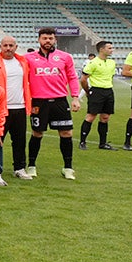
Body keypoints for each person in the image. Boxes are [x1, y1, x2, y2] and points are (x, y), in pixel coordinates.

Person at [24, 27, 81, 180]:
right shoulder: (28, 58)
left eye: (50, 38)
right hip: (38, 102)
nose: (47, 41)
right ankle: (31, 166)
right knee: (37, 133)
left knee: (66, 133)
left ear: (55, 39)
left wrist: (75, 97)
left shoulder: (65, 57)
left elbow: (72, 77)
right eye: (44, 38)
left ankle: (68, 168)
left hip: (60, 101)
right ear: (39, 40)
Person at [0, 37, 32, 179]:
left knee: (20, 140)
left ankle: (20, 168)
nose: (8, 48)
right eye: (5, 45)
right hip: (0, 107)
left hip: (19, 106)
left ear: (16, 46)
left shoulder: (22, 62)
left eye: (11, 45)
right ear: (0, 46)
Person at [80, 41, 118, 150]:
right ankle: (82, 142)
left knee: (105, 117)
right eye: (109, 48)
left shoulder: (111, 62)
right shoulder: (93, 63)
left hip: (108, 91)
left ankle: (103, 143)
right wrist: (87, 91)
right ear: (101, 49)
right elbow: (83, 79)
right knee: (91, 116)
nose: (112, 50)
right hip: (97, 91)